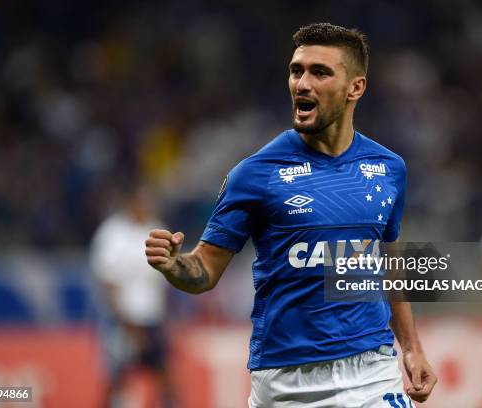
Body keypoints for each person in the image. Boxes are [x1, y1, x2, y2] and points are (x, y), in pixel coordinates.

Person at [145, 23, 436, 407]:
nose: (302, 83)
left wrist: (411, 348)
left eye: (320, 72)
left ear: (356, 88)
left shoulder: (388, 168)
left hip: (371, 373)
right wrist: (174, 265)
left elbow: (389, 264)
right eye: (297, 70)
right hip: (286, 384)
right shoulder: (255, 173)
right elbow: (204, 271)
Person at [91, 183, 171, 407]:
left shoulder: (157, 229)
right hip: (122, 320)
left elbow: (165, 279)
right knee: (117, 376)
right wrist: (125, 322)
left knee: (164, 372)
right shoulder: (112, 233)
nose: (147, 206)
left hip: (152, 318)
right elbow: (107, 282)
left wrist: (167, 317)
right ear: (131, 204)